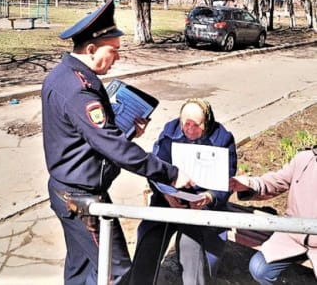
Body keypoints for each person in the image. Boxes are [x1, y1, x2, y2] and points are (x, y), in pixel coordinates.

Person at [41, 0, 184, 285]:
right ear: (92, 49)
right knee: (116, 272)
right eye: (114, 51)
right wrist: (172, 174)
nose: (118, 58)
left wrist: (128, 131)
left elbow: (87, 138)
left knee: (81, 268)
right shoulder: (79, 90)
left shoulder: (66, 75)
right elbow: (112, 146)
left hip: (70, 190)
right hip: (81, 199)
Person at [128, 98, 237, 285]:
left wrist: (209, 197)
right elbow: (155, 170)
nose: (190, 129)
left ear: (207, 122)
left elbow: (225, 181)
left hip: (201, 205)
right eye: (185, 123)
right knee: (150, 240)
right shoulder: (169, 133)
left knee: (192, 246)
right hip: (169, 198)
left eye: (196, 125)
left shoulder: (222, 139)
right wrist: (166, 193)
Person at [229, 146, 317, 284]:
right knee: (259, 268)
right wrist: (249, 184)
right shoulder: (305, 158)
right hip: (293, 232)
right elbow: (277, 181)